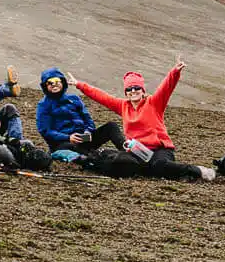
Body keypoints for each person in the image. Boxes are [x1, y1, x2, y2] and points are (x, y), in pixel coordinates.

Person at [71, 60, 215, 182]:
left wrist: (175, 72)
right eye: (129, 89)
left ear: (143, 90)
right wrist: (79, 84)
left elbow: (166, 88)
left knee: (158, 165)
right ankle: (89, 160)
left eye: (136, 88)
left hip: (160, 149)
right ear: (125, 92)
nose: (133, 91)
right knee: (124, 162)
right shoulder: (123, 105)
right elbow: (101, 96)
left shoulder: (154, 103)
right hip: (136, 150)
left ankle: (197, 171)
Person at [33, 67, 145, 177]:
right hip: (63, 143)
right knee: (77, 151)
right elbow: (45, 131)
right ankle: (100, 161)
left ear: (62, 82)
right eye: (50, 82)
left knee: (111, 126)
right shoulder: (43, 105)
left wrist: (87, 132)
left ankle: (128, 150)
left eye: (57, 81)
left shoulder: (74, 99)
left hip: (84, 139)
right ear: (45, 86)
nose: (54, 84)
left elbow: (88, 120)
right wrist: (68, 137)